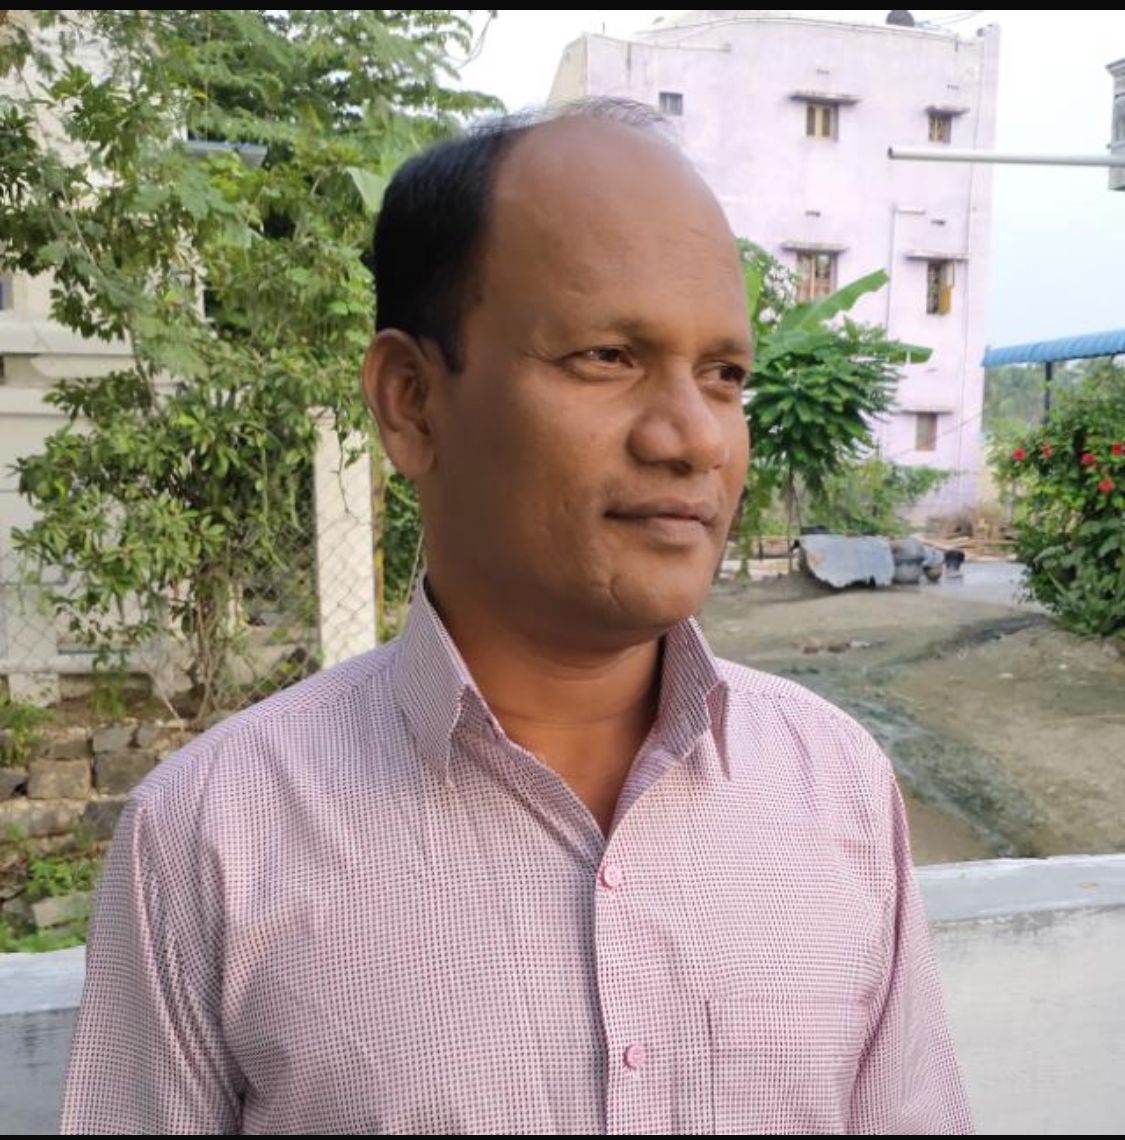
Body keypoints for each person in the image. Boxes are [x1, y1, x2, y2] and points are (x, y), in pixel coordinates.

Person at [61, 101, 972, 1135]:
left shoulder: (833, 786)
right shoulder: (213, 836)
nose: (694, 439)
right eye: (606, 357)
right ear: (410, 399)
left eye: (723, 376)